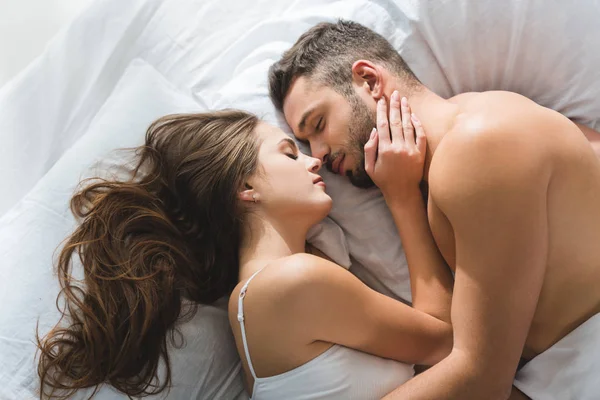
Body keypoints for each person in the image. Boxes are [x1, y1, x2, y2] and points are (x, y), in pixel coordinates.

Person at [269, 19, 600, 399]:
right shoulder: (463, 140)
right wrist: (401, 197)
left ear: (370, 81)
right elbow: (450, 338)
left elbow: (481, 377)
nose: (319, 154)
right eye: (305, 141)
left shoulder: (477, 147)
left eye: (319, 124)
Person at [37, 108, 454, 399]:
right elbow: (450, 342)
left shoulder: (274, 289)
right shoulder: (292, 284)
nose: (314, 161)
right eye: (290, 153)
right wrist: (401, 196)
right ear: (245, 189)